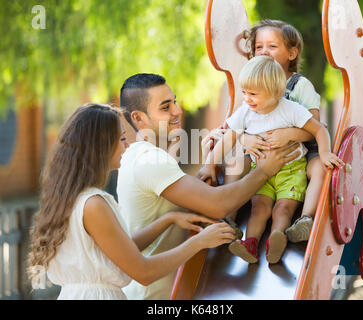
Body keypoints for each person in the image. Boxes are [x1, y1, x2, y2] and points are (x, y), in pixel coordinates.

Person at [117, 73, 302, 299]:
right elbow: (218, 205)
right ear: (138, 118)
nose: (177, 111)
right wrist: (264, 170)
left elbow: (190, 197)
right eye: (165, 107)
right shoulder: (148, 161)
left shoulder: (143, 157)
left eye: (174, 101)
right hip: (153, 295)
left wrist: (209, 162)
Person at [27, 103, 237, 300]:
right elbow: (143, 271)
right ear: (100, 146)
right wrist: (199, 242)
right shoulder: (93, 204)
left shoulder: (74, 199)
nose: (128, 145)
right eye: (121, 139)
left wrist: (168, 219)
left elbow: (122, 250)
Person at [198, 56, 344, 264]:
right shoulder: (246, 112)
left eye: (253, 94)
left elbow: (319, 129)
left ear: (275, 92)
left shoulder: (290, 110)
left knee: (283, 208)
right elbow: (228, 138)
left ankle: (278, 237)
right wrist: (209, 164)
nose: (247, 99)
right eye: (244, 93)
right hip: (261, 173)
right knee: (259, 208)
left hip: (292, 171)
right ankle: (250, 243)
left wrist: (325, 153)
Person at [241, 19, 327, 243]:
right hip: (266, 156)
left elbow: (314, 127)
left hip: (304, 151)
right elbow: (240, 123)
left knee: (319, 168)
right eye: (259, 47)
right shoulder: (252, 88)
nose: (264, 51)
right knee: (235, 162)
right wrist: (246, 138)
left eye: (272, 46)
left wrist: (289, 134)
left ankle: (306, 219)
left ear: (292, 53)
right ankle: (227, 216)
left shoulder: (300, 85)